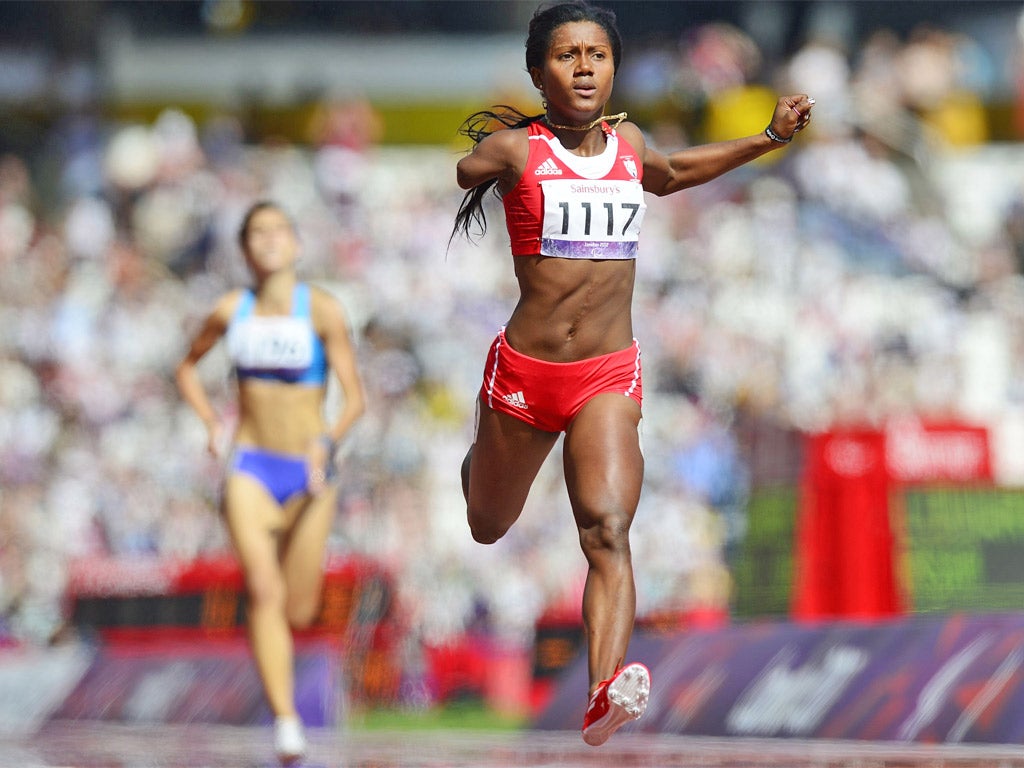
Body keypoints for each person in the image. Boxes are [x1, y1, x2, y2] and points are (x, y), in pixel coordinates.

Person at [451, 0, 813, 747]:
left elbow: (674, 172)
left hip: (605, 375)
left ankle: (602, 694)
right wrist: (504, 147)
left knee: (609, 530)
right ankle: (475, 456)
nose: (584, 67)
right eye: (566, 55)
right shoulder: (520, 153)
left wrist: (769, 138)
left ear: (614, 68)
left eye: (597, 55)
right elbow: (467, 166)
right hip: (525, 374)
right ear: (538, 71)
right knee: (488, 524)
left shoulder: (630, 144)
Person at [176, 201, 365, 764]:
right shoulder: (231, 310)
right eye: (254, 233)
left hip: (310, 474)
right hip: (251, 467)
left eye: (277, 230)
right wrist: (212, 423)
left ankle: (284, 696)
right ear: (244, 249)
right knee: (262, 590)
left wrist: (327, 441)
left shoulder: (323, 311)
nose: (267, 240)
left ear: (296, 245)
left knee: (299, 608)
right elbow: (186, 367)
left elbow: (355, 398)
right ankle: (285, 721)